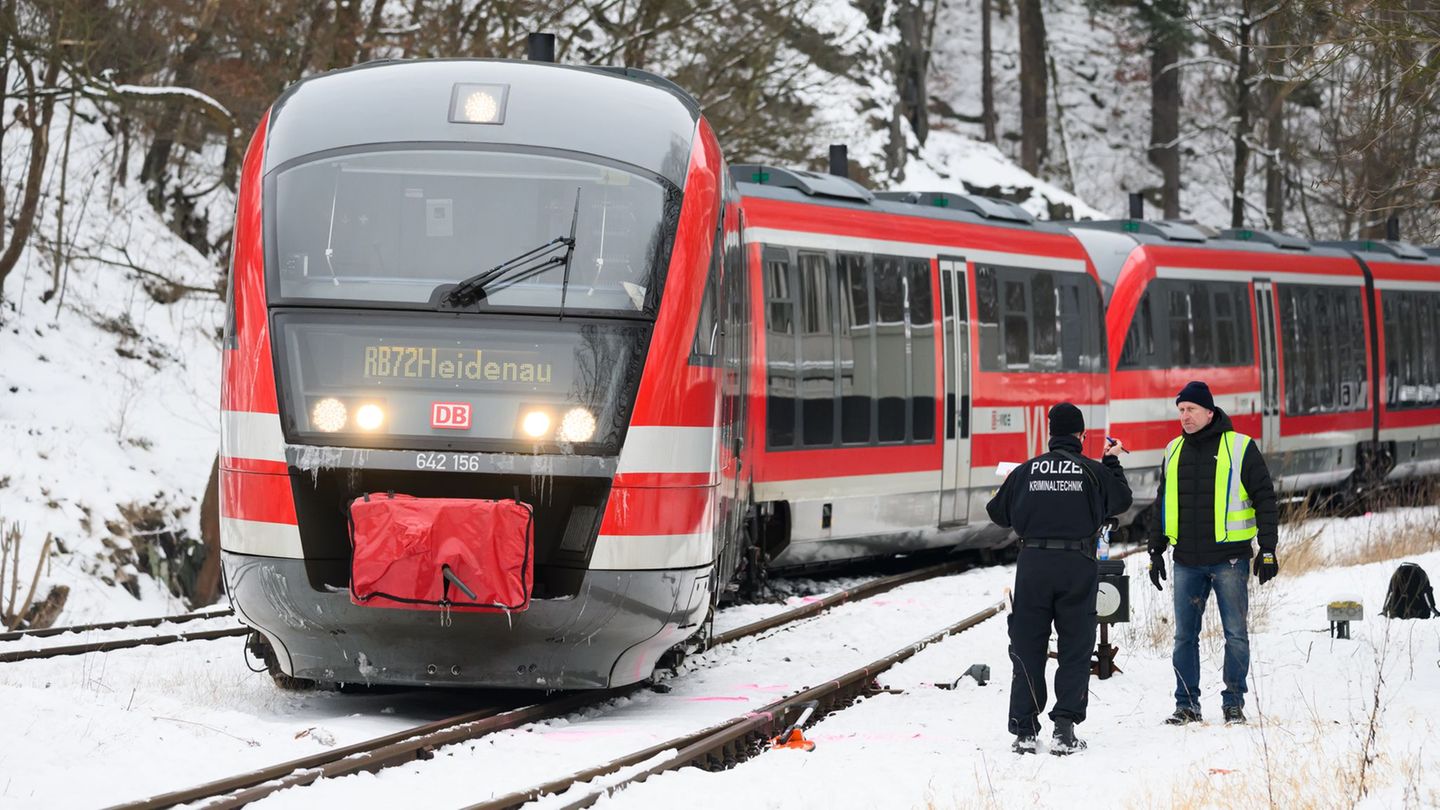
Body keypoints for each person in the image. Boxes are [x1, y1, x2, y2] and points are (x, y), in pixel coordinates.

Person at [987, 402, 1132, 756]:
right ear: (1082, 436)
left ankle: (1024, 730)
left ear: (1050, 434)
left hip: (1033, 565)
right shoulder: (1093, 471)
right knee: (1075, 647)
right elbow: (1122, 500)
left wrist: (1017, 488)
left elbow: (997, 513)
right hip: (1077, 564)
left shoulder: (1027, 471)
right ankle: (1064, 730)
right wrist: (1111, 461)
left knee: (1027, 646)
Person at [1147, 381, 1279, 726]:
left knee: (1235, 634)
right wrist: (1156, 549)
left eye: (1190, 410)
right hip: (1186, 560)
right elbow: (1162, 503)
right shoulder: (1173, 450)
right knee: (1183, 637)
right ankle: (1186, 705)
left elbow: (1265, 498)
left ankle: (1233, 703)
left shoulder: (1240, 447)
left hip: (1230, 560)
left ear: (1209, 411)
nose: (1184, 416)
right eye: (1180, 411)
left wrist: (1267, 548)